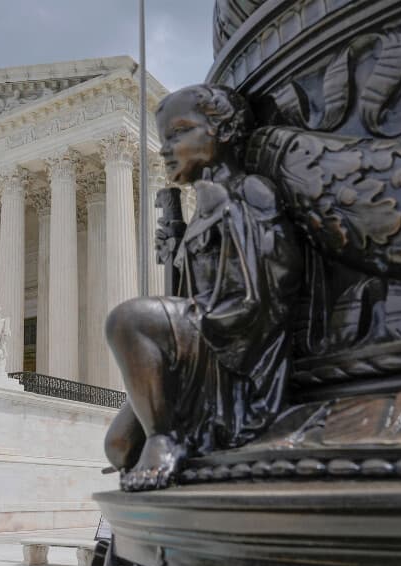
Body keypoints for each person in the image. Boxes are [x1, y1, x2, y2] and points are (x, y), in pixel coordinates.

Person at [103, 84, 302, 492]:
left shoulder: (249, 190)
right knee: (119, 447)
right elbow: (184, 296)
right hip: (201, 339)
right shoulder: (201, 209)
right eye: (164, 137)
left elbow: (275, 278)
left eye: (178, 133)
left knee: (128, 319)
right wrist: (178, 249)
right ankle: (162, 434)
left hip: (236, 338)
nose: (164, 149)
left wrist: (224, 215)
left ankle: (165, 437)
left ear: (223, 132)